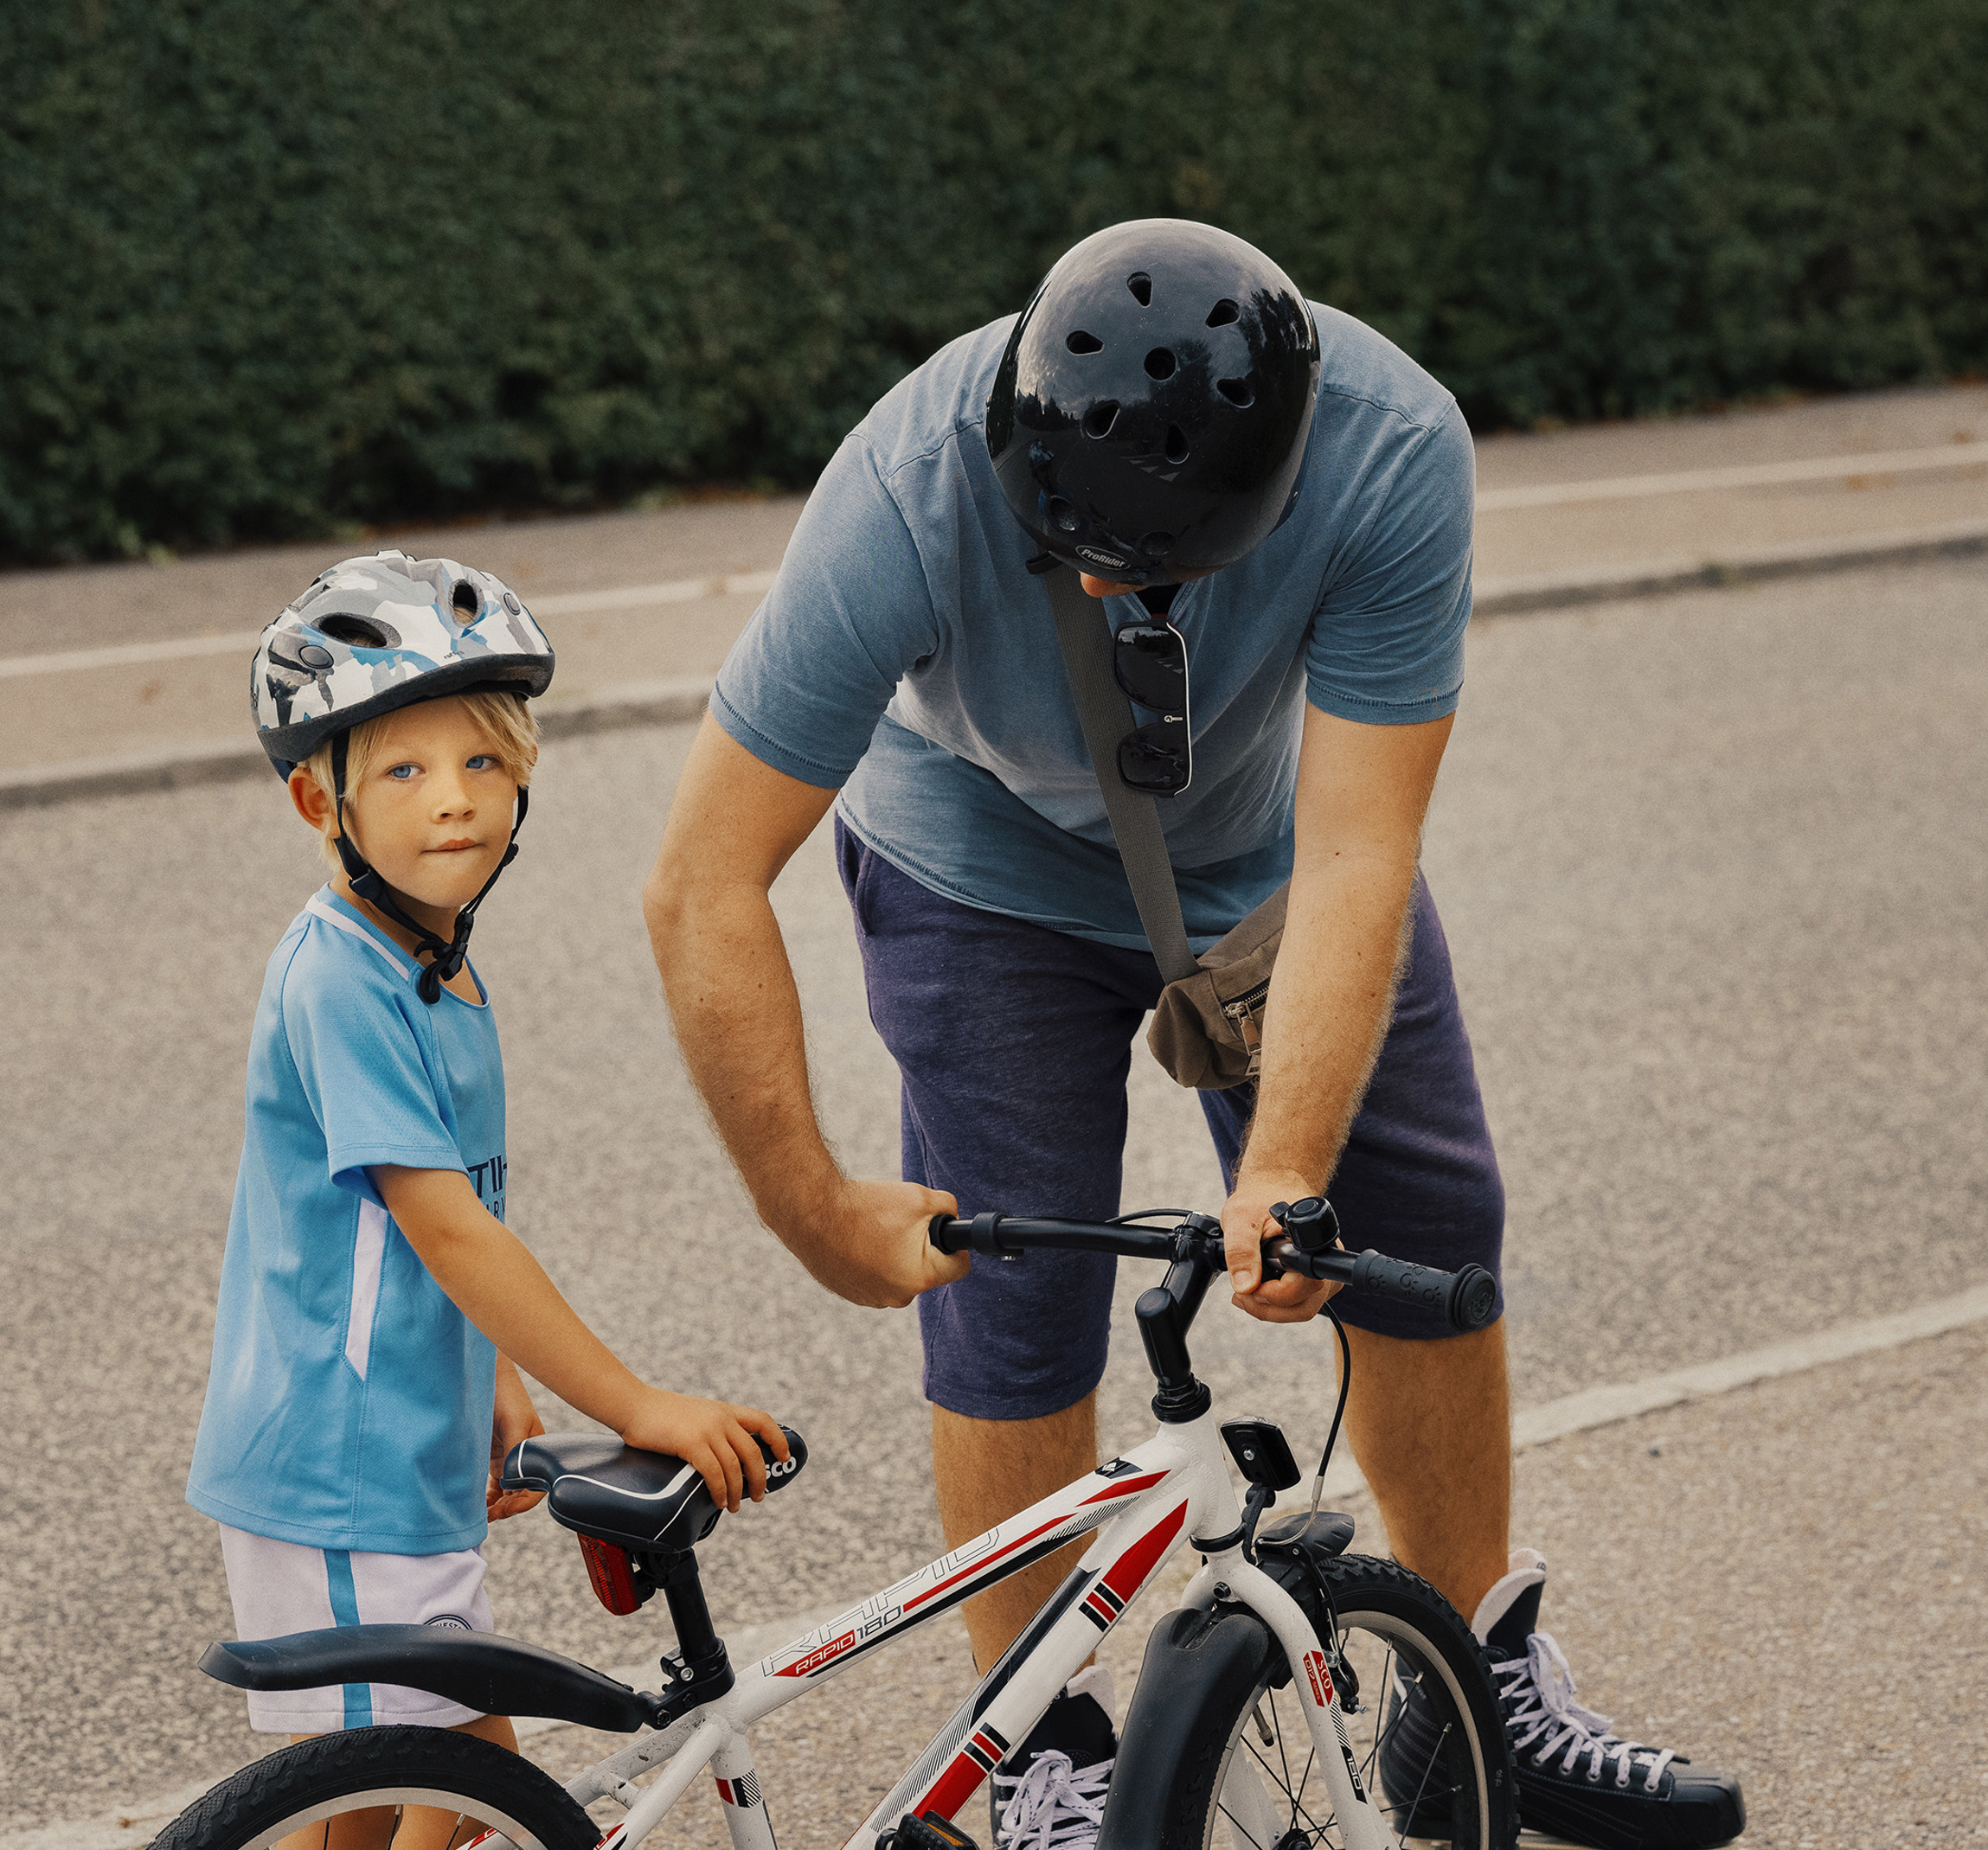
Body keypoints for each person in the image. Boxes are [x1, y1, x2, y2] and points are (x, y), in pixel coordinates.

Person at [640, 223, 1746, 1850]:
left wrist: (1289, 1163)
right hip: (975, 862)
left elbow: (1365, 848)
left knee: (1417, 1230)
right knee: (1010, 1298)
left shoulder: (1388, 451)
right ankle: (1039, 1751)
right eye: (1065, 546)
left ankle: (1467, 1696)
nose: (1094, 589)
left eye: (1138, 569)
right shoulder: (905, 489)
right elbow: (700, 880)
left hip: (1265, 860)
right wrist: (812, 1207)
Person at [192, 550, 789, 1850]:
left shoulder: (430, 964)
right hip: (337, 1462)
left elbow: (434, 1235)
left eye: (481, 763)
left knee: (369, 1809)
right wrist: (629, 1404)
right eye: (401, 771)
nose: (452, 801)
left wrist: (489, 1380)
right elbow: (446, 1223)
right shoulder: (342, 979)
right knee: (466, 1789)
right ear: (317, 798)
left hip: (387, 1447)